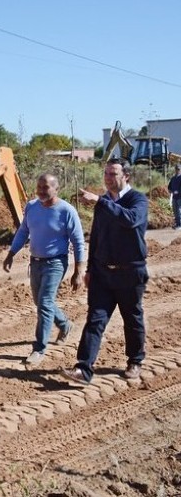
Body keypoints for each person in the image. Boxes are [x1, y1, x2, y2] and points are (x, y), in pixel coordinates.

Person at [60, 158, 149, 385]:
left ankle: (134, 361)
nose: (108, 178)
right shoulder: (104, 203)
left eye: (113, 174)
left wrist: (100, 200)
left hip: (130, 273)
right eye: (106, 174)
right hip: (102, 274)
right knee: (95, 320)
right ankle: (83, 368)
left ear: (126, 176)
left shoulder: (137, 200)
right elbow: (97, 237)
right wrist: (89, 269)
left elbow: (130, 220)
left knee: (132, 318)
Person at [3, 173, 86, 367]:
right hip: (36, 262)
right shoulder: (32, 207)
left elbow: (79, 242)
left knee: (45, 303)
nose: (41, 191)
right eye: (39, 187)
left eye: (45, 188)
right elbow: (23, 231)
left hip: (56, 263)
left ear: (56, 189)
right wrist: (11, 253)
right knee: (41, 303)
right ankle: (65, 325)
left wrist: (79, 271)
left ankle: (39, 349)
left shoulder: (67, 211)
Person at [168, 164, 181, 230]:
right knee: (175, 211)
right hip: (174, 197)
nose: (177, 170)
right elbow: (169, 186)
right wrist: (170, 190)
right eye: (176, 169)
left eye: (178, 169)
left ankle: (180, 225)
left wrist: (178, 191)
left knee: (179, 211)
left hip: (180, 197)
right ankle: (177, 224)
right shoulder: (173, 178)